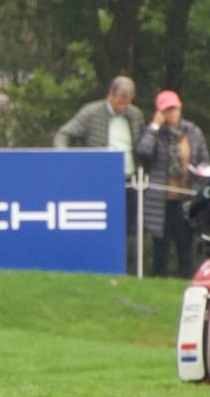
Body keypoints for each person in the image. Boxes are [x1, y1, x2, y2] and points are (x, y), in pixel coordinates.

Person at [54, 76, 146, 270]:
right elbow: (63, 134)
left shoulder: (135, 115)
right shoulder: (91, 112)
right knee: (102, 223)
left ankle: (124, 267)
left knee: (127, 225)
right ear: (111, 95)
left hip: (129, 179)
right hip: (99, 179)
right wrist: (65, 160)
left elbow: (141, 144)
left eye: (128, 102)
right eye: (121, 101)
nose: (124, 106)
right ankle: (95, 265)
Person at [135, 89, 210, 279]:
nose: (172, 113)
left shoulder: (192, 131)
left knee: (186, 245)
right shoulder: (155, 134)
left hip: (187, 197)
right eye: (167, 110)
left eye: (174, 109)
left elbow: (204, 159)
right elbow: (143, 152)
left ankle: (187, 281)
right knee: (161, 245)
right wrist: (154, 126)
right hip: (162, 200)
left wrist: (202, 170)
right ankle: (157, 281)